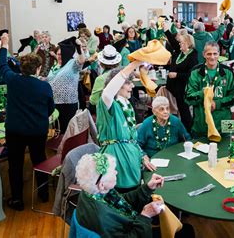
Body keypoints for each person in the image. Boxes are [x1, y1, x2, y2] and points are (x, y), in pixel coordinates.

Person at [75, 153, 194, 237]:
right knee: (187, 231)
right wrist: (145, 216)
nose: (117, 172)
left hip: (129, 226)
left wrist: (147, 188)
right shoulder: (101, 216)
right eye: (113, 171)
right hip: (134, 232)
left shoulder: (92, 192)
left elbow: (121, 202)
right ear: (101, 184)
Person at [0, 33, 54, 210]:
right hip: (37, 131)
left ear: (21, 67)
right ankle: (43, 195)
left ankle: (17, 200)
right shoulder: (44, 86)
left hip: (15, 131)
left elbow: (1, 66)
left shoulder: (13, 80)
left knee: (15, 164)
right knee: (39, 160)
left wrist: (4, 45)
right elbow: (50, 109)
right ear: (37, 69)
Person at [98, 64, 155, 192]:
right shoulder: (109, 104)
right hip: (117, 161)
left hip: (131, 159)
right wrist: (135, 62)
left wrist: (141, 156)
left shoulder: (126, 104)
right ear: (117, 85)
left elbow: (131, 138)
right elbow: (107, 93)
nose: (133, 86)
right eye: (128, 83)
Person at [185, 41, 234, 137]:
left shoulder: (228, 72)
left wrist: (217, 103)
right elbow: (187, 98)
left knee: (228, 150)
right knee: (201, 151)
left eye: (215, 53)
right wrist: (203, 94)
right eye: (209, 54)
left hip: (226, 124)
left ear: (219, 54)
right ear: (204, 54)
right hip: (201, 125)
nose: (212, 57)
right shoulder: (195, 72)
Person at [47, 40, 86, 134]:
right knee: (58, 130)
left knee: (69, 131)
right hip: (54, 103)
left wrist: (79, 49)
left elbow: (81, 60)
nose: (60, 56)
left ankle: (70, 148)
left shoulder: (72, 64)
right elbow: (50, 80)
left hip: (69, 104)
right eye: (58, 54)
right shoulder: (54, 67)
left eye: (61, 54)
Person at [164, 25, 198, 131]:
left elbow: (191, 74)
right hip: (174, 87)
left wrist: (176, 75)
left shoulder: (192, 56)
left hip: (183, 88)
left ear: (188, 44)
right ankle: (181, 129)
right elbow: (173, 42)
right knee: (179, 109)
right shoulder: (180, 52)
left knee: (184, 110)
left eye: (182, 42)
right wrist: (166, 30)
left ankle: (188, 131)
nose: (179, 44)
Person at [89, 45, 122, 110]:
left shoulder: (101, 79)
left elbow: (93, 101)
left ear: (101, 62)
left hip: (107, 110)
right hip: (121, 108)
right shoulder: (122, 74)